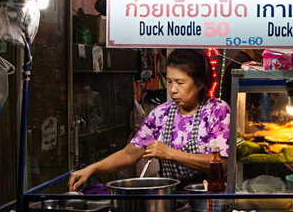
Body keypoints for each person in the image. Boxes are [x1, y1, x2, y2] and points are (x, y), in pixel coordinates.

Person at [69, 49, 231, 189]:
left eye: (180, 83)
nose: (173, 90)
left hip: (208, 197)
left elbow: (223, 164)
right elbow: (129, 154)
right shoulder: (161, 114)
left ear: (200, 83)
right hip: (172, 199)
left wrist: (170, 154)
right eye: (169, 82)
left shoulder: (217, 111)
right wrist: (93, 168)